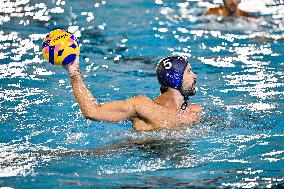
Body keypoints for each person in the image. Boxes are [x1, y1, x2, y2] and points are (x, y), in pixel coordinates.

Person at [65, 55, 201, 131]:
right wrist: (74, 72)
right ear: (175, 78)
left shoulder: (194, 111)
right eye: (189, 72)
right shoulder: (143, 106)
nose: (195, 76)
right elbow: (92, 112)